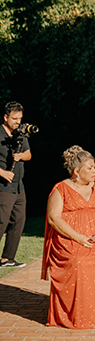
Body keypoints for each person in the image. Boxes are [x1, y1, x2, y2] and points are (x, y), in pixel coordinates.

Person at [41, 146, 95, 329]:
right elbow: (53, 218)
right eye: (90, 168)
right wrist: (77, 237)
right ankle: (81, 314)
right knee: (79, 261)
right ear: (76, 171)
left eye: (94, 167)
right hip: (71, 239)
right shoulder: (61, 188)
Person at [0, 101, 32, 269]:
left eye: (19, 118)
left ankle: (7, 259)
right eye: (14, 118)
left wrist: (21, 156)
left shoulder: (20, 134)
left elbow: (28, 154)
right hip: (3, 186)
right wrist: (2, 172)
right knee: (1, 221)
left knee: (18, 220)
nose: (17, 122)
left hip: (19, 186)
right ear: (5, 117)